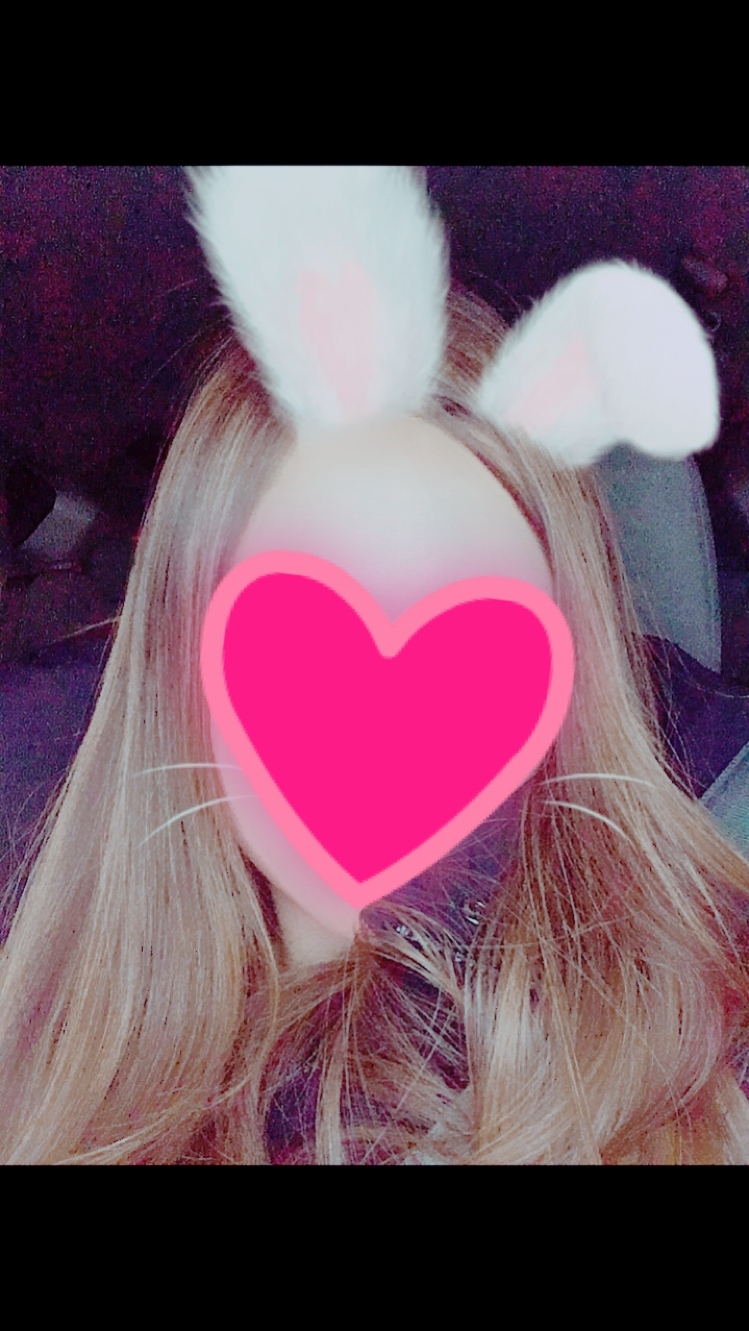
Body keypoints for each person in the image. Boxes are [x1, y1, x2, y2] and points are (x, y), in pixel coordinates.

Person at [1, 167, 749, 1165]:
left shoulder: (685, 1025)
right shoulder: (46, 1044)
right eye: (298, 645)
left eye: (468, 651)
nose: (382, 729)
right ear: (180, 667)